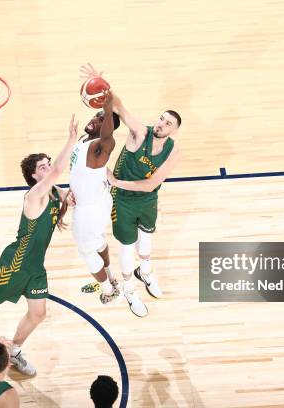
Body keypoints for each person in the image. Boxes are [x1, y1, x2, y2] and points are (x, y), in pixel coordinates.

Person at [0, 115, 78, 376]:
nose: (49, 168)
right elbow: (60, 173)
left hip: (35, 267)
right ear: (34, 176)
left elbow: (66, 191)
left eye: (49, 164)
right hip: (15, 264)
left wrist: (72, 196)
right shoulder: (34, 195)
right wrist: (71, 140)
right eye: (44, 167)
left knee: (38, 314)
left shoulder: (52, 191)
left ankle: (14, 350)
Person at [81, 64, 182, 317]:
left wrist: (116, 182)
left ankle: (144, 272)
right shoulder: (141, 132)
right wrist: (103, 85)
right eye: (161, 118)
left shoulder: (173, 151)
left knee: (146, 241)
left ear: (174, 130)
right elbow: (119, 108)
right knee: (127, 247)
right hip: (123, 201)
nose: (161, 124)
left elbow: (151, 184)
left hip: (145, 198)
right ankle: (128, 288)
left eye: (167, 123)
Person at [69, 89, 121, 304]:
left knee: (86, 251)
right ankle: (111, 276)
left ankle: (108, 291)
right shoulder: (84, 139)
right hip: (96, 200)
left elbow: (108, 134)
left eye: (101, 119)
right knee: (98, 242)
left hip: (89, 209)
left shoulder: (103, 145)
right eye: (96, 114)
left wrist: (108, 109)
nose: (95, 119)